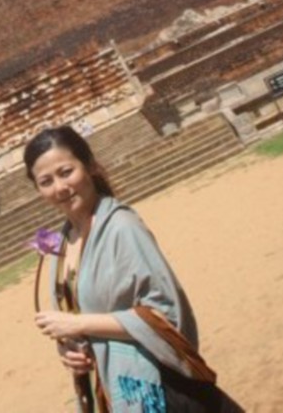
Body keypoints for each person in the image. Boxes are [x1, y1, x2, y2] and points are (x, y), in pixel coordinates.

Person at [25, 125, 243, 412]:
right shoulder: (63, 244)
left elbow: (165, 314)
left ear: (89, 165)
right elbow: (81, 320)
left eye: (66, 172)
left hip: (158, 389)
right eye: (46, 181)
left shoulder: (122, 227)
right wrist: (71, 350)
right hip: (118, 390)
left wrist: (79, 324)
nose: (60, 188)